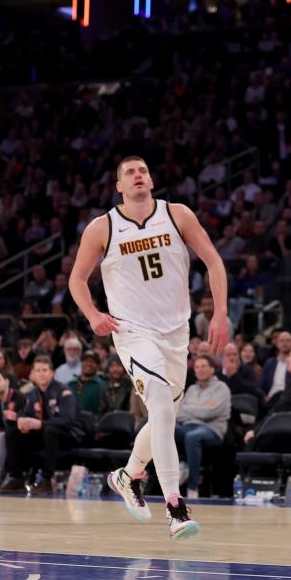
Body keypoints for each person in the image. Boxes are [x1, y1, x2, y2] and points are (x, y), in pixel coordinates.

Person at [69, 156, 229, 540]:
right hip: (132, 331)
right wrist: (92, 315)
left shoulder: (177, 214)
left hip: (176, 332)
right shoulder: (102, 227)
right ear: (118, 186)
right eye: (129, 172)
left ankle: (127, 475)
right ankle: (175, 505)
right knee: (158, 401)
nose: (138, 176)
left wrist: (220, 312)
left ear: (152, 179)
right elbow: (77, 279)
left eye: (143, 170)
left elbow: (214, 262)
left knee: (165, 417)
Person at [0, 356, 81, 495]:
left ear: (52, 373)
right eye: (38, 370)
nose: (41, 373)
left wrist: (40, 424)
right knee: (12, 433)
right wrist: (19, 419)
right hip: (44, 434)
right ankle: (17, 478)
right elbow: (27, 416)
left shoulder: (63, 391)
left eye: (44, 370)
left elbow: (68, 420)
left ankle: (47, 480)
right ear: (33, 374)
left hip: (69, 435)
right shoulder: (31, 395)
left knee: (49, 430)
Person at [175, 356, 231, 500]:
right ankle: (179, 466)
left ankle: (193, 487)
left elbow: (211, 412)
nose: (200, 369)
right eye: (197, 367)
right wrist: (200, 410)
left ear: (212, 369)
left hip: (212, 429)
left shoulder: (221, 388)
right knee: (167, 430)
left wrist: (189, 410)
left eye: (204, 366)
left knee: (192, 437)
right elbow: (177, 412)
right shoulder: (191, 389)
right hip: (187, 426)